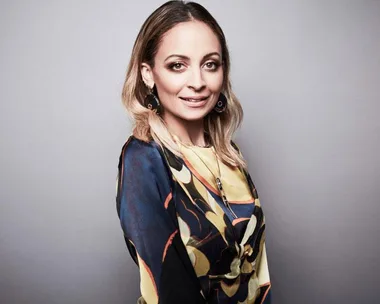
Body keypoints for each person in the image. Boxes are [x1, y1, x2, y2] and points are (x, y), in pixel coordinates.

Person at [116, 1, 271, 303]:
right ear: (148, 74)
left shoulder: (229, 154)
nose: (198, 82)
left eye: (210, 64)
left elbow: (258, 276)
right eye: (177, 65)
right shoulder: (144, 160)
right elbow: (170, 289)